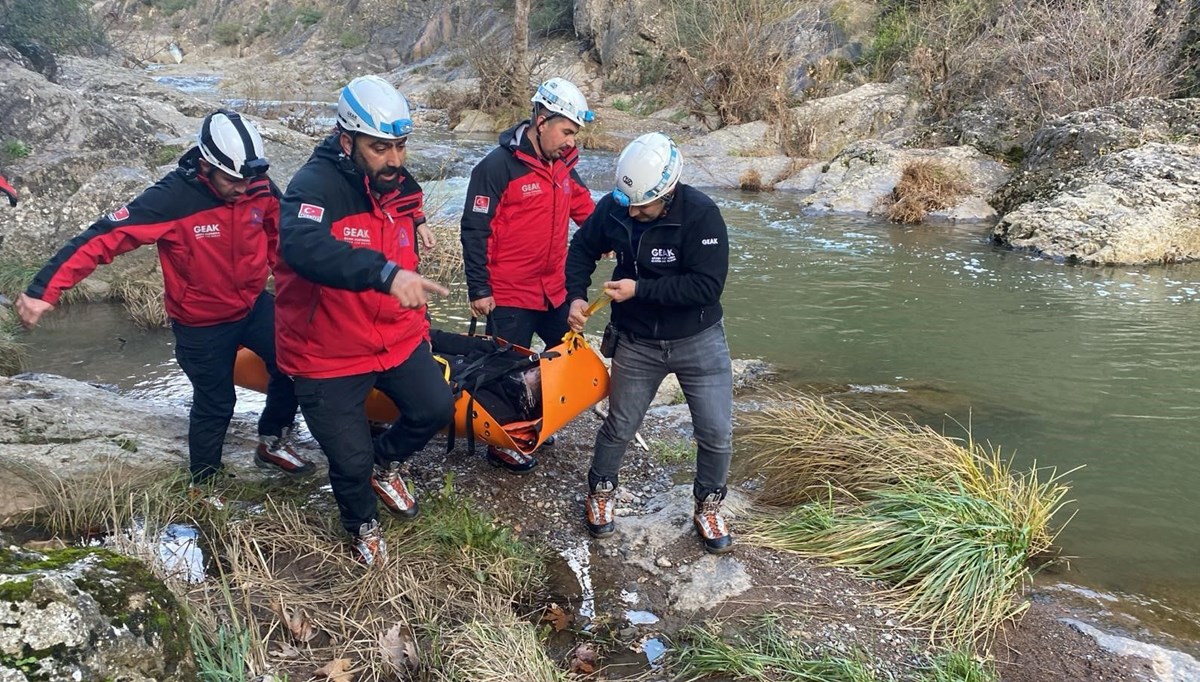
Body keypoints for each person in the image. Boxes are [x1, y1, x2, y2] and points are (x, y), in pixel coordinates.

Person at [15, 110, 313, 486]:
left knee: (296, 361)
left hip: (253, 306)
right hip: (199, 323)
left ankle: (273, 440)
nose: (243, 188)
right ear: (206, 164)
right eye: (233, 180)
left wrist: (294, 286)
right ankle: (204, 483)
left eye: (249, 179)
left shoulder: (257, 185)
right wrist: (44, 290)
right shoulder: (171, 199)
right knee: (217, 403)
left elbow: (280, 234)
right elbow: (103, 238)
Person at [274, 75, 452, 566]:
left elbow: (408, 196)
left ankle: (386, 461)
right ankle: (362, 525)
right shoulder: (315, 185)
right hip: (325, 353)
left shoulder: (395, 176)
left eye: (401, 145)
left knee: (435, 409)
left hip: (393, 338)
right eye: (380, 148)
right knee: (348, 461)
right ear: (347, 141)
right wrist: (385, 272)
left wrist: (418, 222)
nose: (395, 159)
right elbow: (301, 245)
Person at [565, 132, 735, 555]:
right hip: (637, 340)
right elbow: (582, 249)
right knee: (620, 424)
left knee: (715, 432)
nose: (635, 211)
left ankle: (709, 503)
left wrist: (640, 290)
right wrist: (576, 295)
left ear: (669, 191)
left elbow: (706, 287)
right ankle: (601, 491)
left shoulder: (701, 215)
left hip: (698, 338)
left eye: (644, 205)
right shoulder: (618, 207)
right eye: (629, 203)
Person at [459, 76, 596, 474]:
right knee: (505, 368)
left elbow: (585, 208)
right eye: (566, 131)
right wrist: (479, 288)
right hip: (508, 292)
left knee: (565, 358)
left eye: (574, 134)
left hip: (553, 289)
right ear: (541, 121)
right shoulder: (496, 167)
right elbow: (475, 228)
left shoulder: (565, 165)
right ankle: (501, 442)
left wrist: (605, 235)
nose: (571, 141)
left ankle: (538, 419)